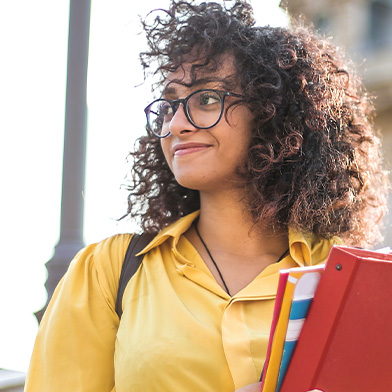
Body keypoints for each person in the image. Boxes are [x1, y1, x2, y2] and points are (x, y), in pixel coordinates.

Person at [25, 1, 388, 391]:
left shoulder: (345, 276)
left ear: (271, 113)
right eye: (168, 106)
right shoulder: (108, 272)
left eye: (207, 100)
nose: (177, 124)